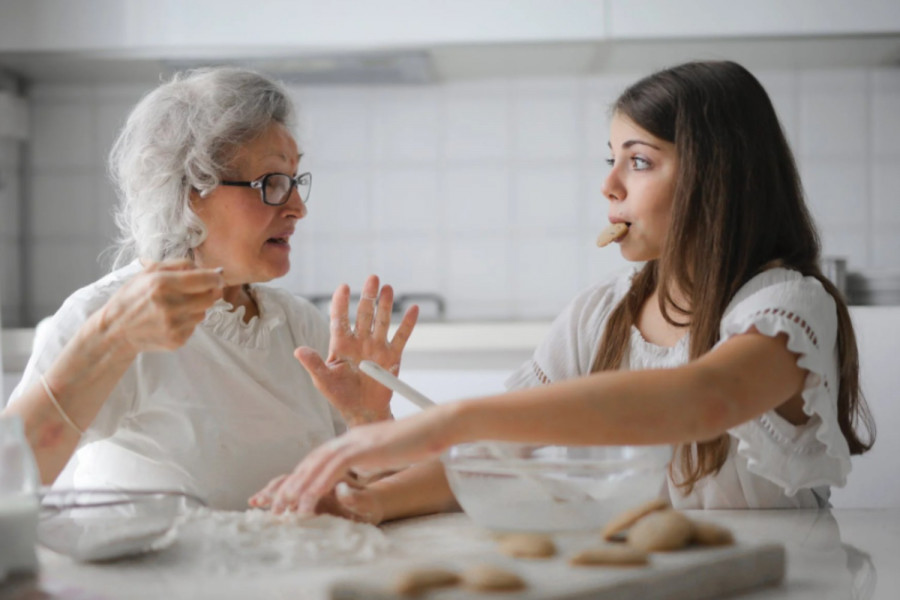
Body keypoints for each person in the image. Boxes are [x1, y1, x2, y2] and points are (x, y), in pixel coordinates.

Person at [251, 60, 875, 519]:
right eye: (610, 159)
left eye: (639, 160)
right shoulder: (599, 315)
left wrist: (455, 417)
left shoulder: (787, 306)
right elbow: (501, 454)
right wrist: (371, 500)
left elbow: (705, 399)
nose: (609, 186)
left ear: (718, 178)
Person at [2, 67, 417, 510]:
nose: (298, 207)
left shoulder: (299, 326)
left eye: (295, 181)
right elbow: (9, 479)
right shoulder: (104, 314)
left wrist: (369, 421)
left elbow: (365, 497)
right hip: (156, 580)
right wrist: (109, 340)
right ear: (188, 192)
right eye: (272, 183)